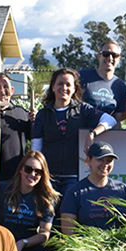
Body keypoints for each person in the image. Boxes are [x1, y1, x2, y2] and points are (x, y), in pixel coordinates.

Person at [31, 68, 116, 199]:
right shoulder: (43, 114)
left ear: (75, 89)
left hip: (74, 176)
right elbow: (36, 147)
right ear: (53, 87)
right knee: (48, 214)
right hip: (49, 177)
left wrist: (93, 133)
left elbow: (110, 120)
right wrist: (37, 171)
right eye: (60, 83)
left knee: (68, 214)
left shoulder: (83, 109)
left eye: (68, 84)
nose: (64, 88)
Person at [0, 151, 59, 251]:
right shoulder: (3, 189)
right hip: (2, 244)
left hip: (27, 248)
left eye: (38, 171)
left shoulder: (46, 199)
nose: (32, 174)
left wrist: (23, 243)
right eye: (28, 169)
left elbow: (44, 234)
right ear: (21, 169)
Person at [0, 72, 34, 184]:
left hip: (17, 178)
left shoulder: (22, 114)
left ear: (12, 90)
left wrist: (35, 122)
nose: (2, 91)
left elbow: (33, 137)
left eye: (6, 87)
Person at [79, 40, 126, 124]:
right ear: (99, 56)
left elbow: (117, 120)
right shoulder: (82, 77)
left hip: (105, 134)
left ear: (119, 59)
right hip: (81, 133)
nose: (110, 58)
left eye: (114, 55)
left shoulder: (121, 86)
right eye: (106, 54)